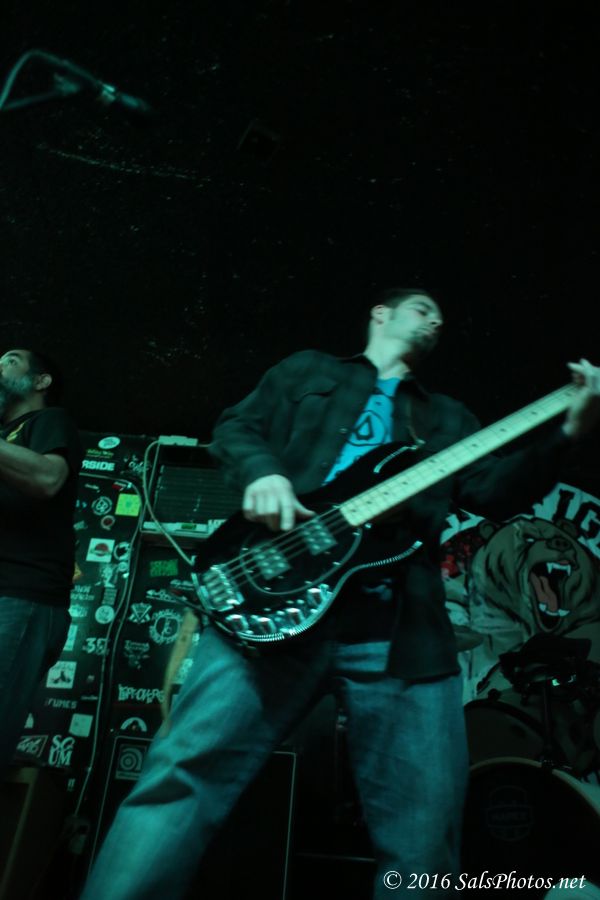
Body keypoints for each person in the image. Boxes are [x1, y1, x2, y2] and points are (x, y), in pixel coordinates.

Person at [80, 289, 600, 899]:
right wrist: (264, 473)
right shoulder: (308, 371)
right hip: (269, 603)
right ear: (381, 313)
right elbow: (237, 426)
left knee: (425, 831)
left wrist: (569, 429)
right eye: (422, 308)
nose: (436, 319)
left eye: (441, 318)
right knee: (180, 782)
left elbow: (493, 492)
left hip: (399, 630)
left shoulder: (448, 419)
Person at [0, 348, 82, 771]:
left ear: (40, 381)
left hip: (22, 595)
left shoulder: (48, 420)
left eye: (10, 360)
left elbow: (48, 478)